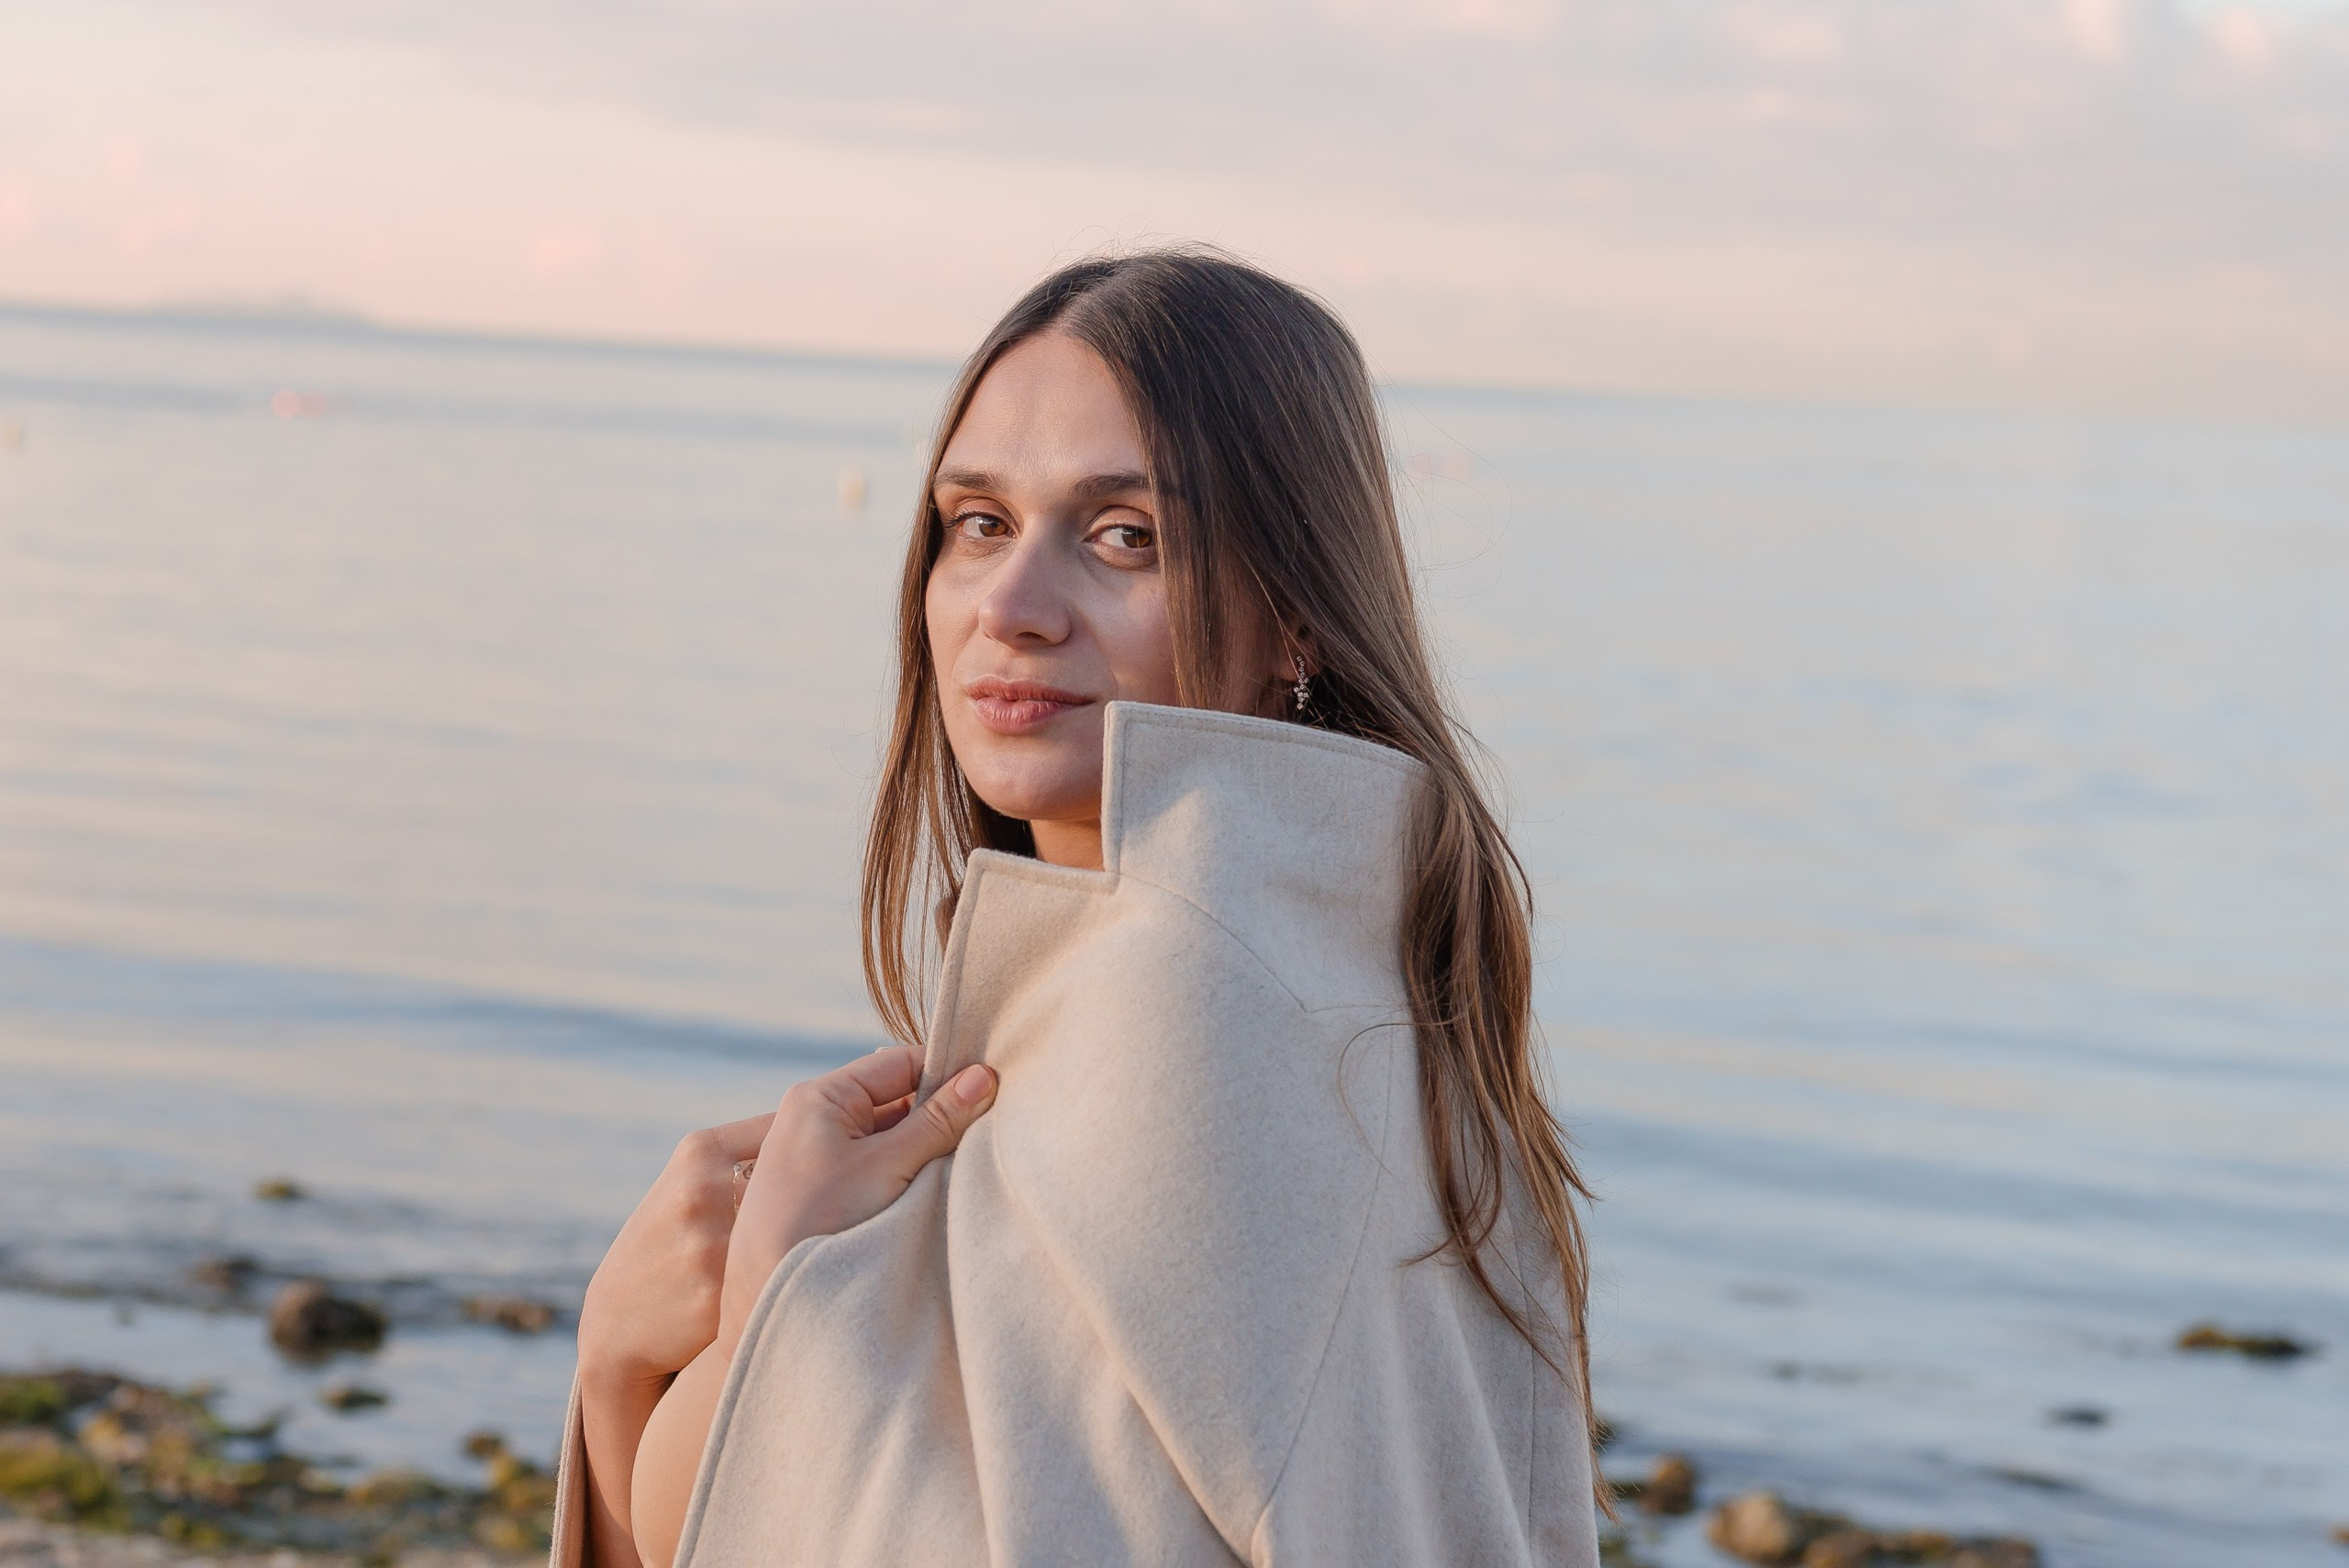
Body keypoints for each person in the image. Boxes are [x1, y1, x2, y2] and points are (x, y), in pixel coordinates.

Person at [558, 248, 1603, 1568]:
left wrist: (774, 1289)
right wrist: (619, 1356)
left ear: (1298, 620)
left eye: (1125, 537)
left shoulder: (1204, 1012)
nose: (1011, 606)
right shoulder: (1330, 980)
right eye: (979, 523)